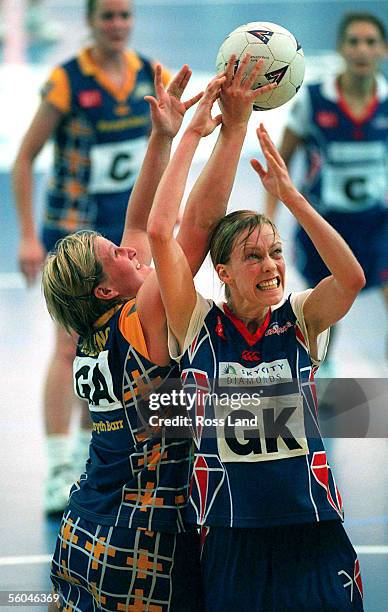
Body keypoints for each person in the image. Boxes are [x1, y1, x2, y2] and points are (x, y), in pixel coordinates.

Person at [42, 55, 275, 611]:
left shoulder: (94, 335)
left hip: (82, 530)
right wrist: (225, 131)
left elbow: (137, 224)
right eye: (113, 257)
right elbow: (189, 227)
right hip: (140, 545)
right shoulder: (138, 321)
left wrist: (161, 139)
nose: (126, 248)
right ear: (105, 290)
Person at [147, 72, 366, 609]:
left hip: (311, 525)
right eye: (252, 257)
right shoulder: (197, 326)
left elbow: (351, 279)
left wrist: (291, 198)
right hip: (230, 532)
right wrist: (189, 138)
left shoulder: (300, 319)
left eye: (273, 254)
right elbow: (159, 233)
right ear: (221, 270)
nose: (270, 267)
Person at [13, 0, 171, 515]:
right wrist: (28, 236)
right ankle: (59, 467)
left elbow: (156, 152)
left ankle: (91, 456)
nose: (118, 25)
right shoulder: (67, 80)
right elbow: (24, 159)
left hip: (127, 237)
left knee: (113, 350)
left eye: (125, 15)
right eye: (108, 16)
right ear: (89, 21)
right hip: (78, 240)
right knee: (70, 348)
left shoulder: (150, 74)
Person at [265, 12, 388, 373]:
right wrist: (268, 219)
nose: (361, 50)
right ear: (340, 48)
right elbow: (280, 161)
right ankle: (322, 380)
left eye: (370, 42)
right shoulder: (315, 102)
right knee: (329, 317)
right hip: (325, 226)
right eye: (353, 41)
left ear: (383, 49)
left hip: (378, 223)